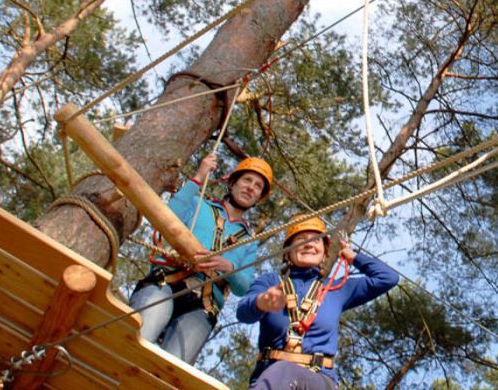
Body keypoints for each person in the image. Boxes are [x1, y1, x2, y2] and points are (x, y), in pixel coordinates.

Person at [129, 152, 269, 364]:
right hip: (165, 282)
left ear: (258, 198)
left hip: (203, 304)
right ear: (231, 184)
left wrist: (228, 267)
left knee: (170, 369)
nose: (251, 187)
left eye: (258, 186)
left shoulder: (249, 241)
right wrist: (199, 176)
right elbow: (166, 216)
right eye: (247, 180)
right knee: (140, 338)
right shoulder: (198, 204)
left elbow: (244, 286)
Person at [237, 217, 399, 389]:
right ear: (287, 252)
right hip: (270, 377)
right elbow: (242, 312)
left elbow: (388, 278)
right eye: (301, 240)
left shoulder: (336, 289)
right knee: (281, 372)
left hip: (319, 380)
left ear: (324, 252)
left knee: (284, 371)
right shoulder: (271, 282)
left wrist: (354, 258)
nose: (309, 244)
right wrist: (261, 302)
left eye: (316, 241)